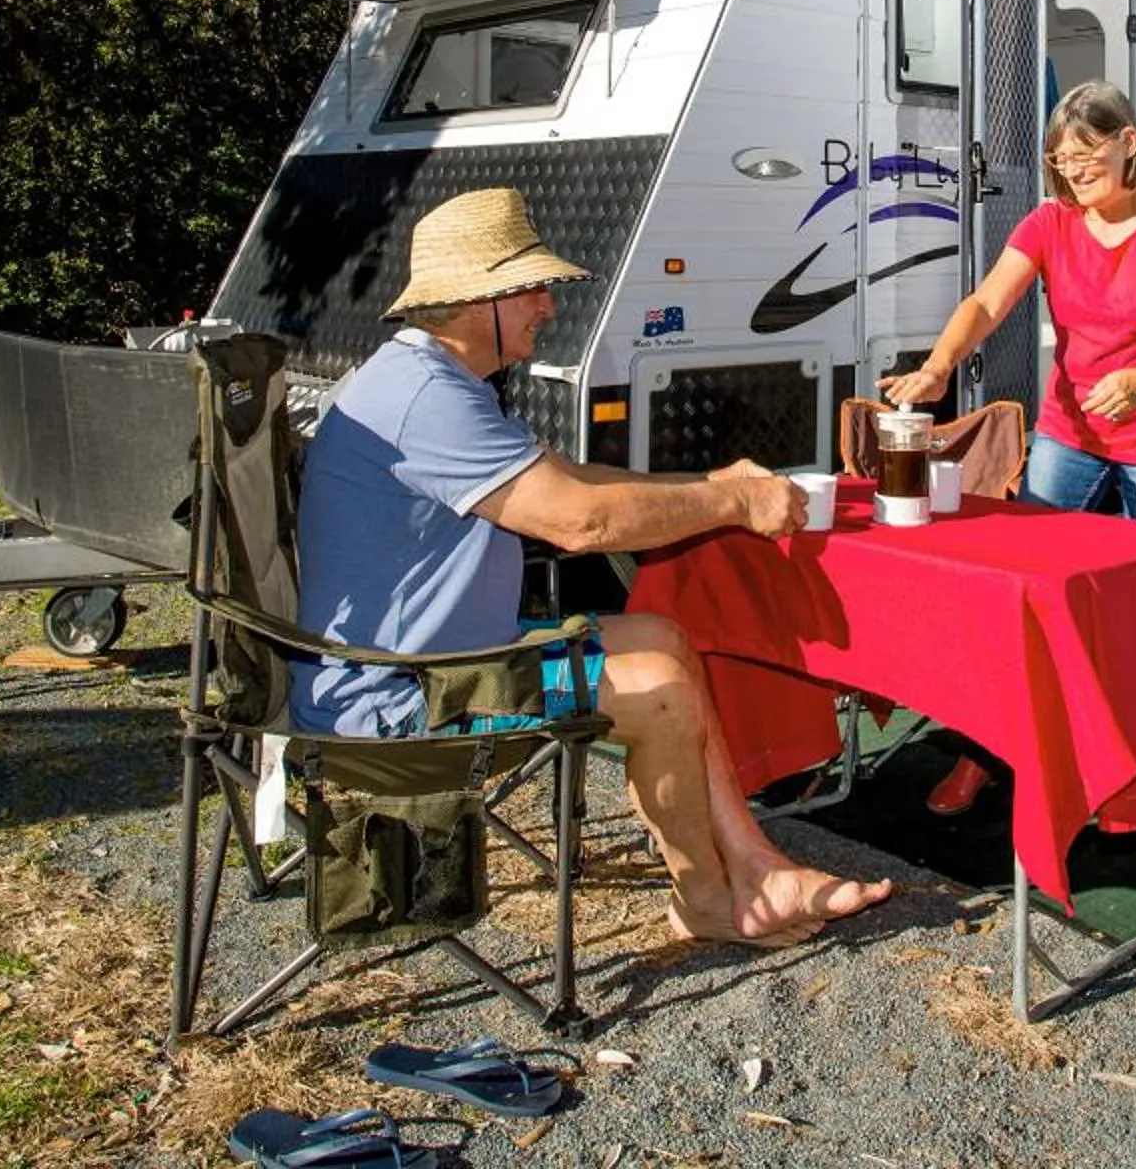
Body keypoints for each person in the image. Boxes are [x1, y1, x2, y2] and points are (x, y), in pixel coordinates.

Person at [293, 185, 894, 950]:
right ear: (483, 301)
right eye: (533, 289)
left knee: (660, 636)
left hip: (438, 661)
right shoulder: (426, 397)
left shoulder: (431, 381)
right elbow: (582, 521)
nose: (548, 306)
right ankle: (707, 899)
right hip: (400, 700)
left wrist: (711, 487)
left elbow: (570, 479)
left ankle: (756, 869)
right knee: (661, 694)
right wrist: (737, 507)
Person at [880, 80, 1136, 812]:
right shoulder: (1050, 224)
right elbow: (986, 302)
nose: (1071, 170)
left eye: (1086, 154)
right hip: (1071, 433)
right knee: (1023, 592)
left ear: (1127, 143)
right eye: (1060, 158)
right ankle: (987, 752)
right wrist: (937, 366)